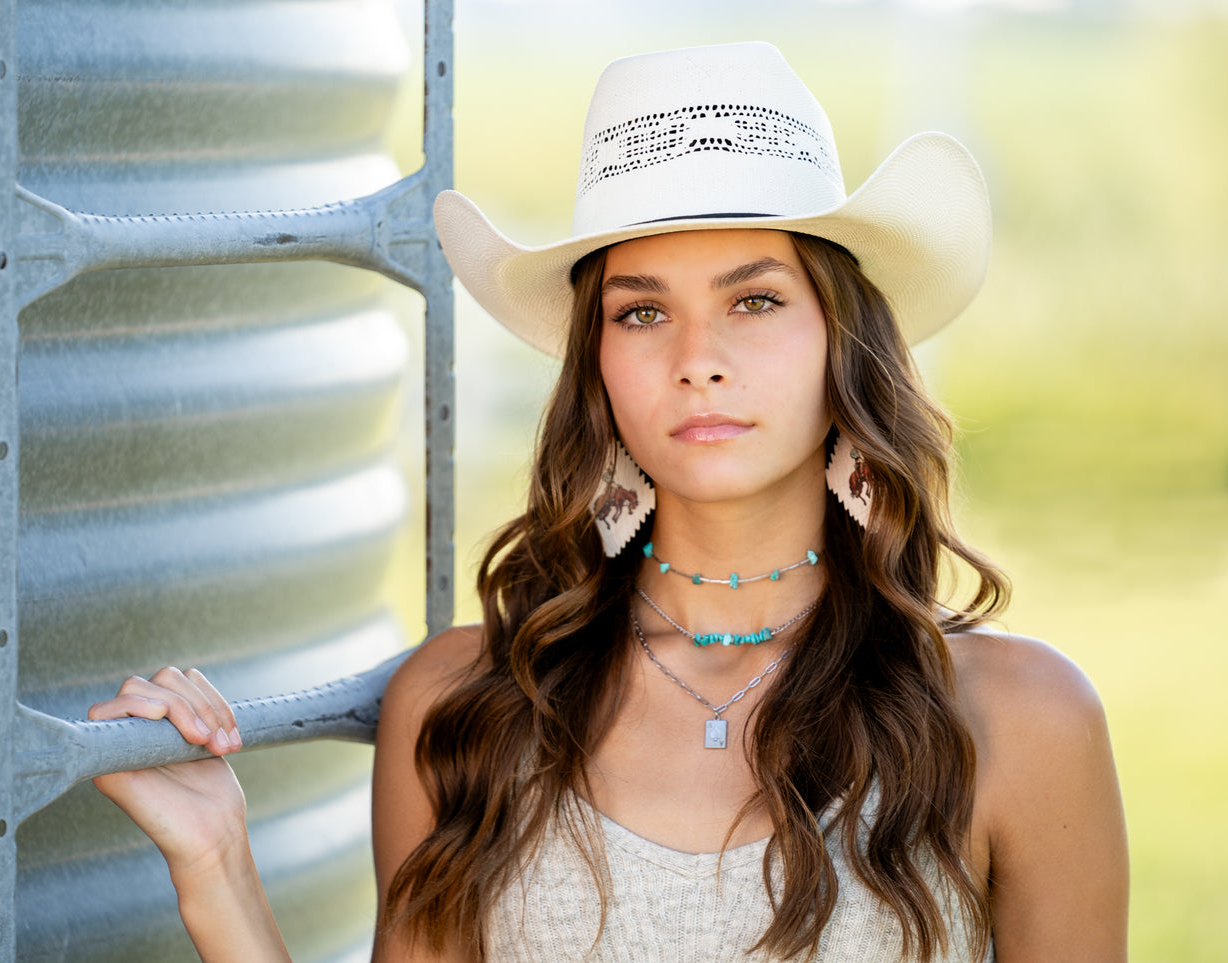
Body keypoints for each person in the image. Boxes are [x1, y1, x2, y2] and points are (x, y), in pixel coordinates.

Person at [88, 42, 1128, 962]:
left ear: (841, 345)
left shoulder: (1018, 719)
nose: (696, 361)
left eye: (754, 300)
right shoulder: (467, 704)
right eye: (641, 312)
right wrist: (216, 863)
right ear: (596, 365)